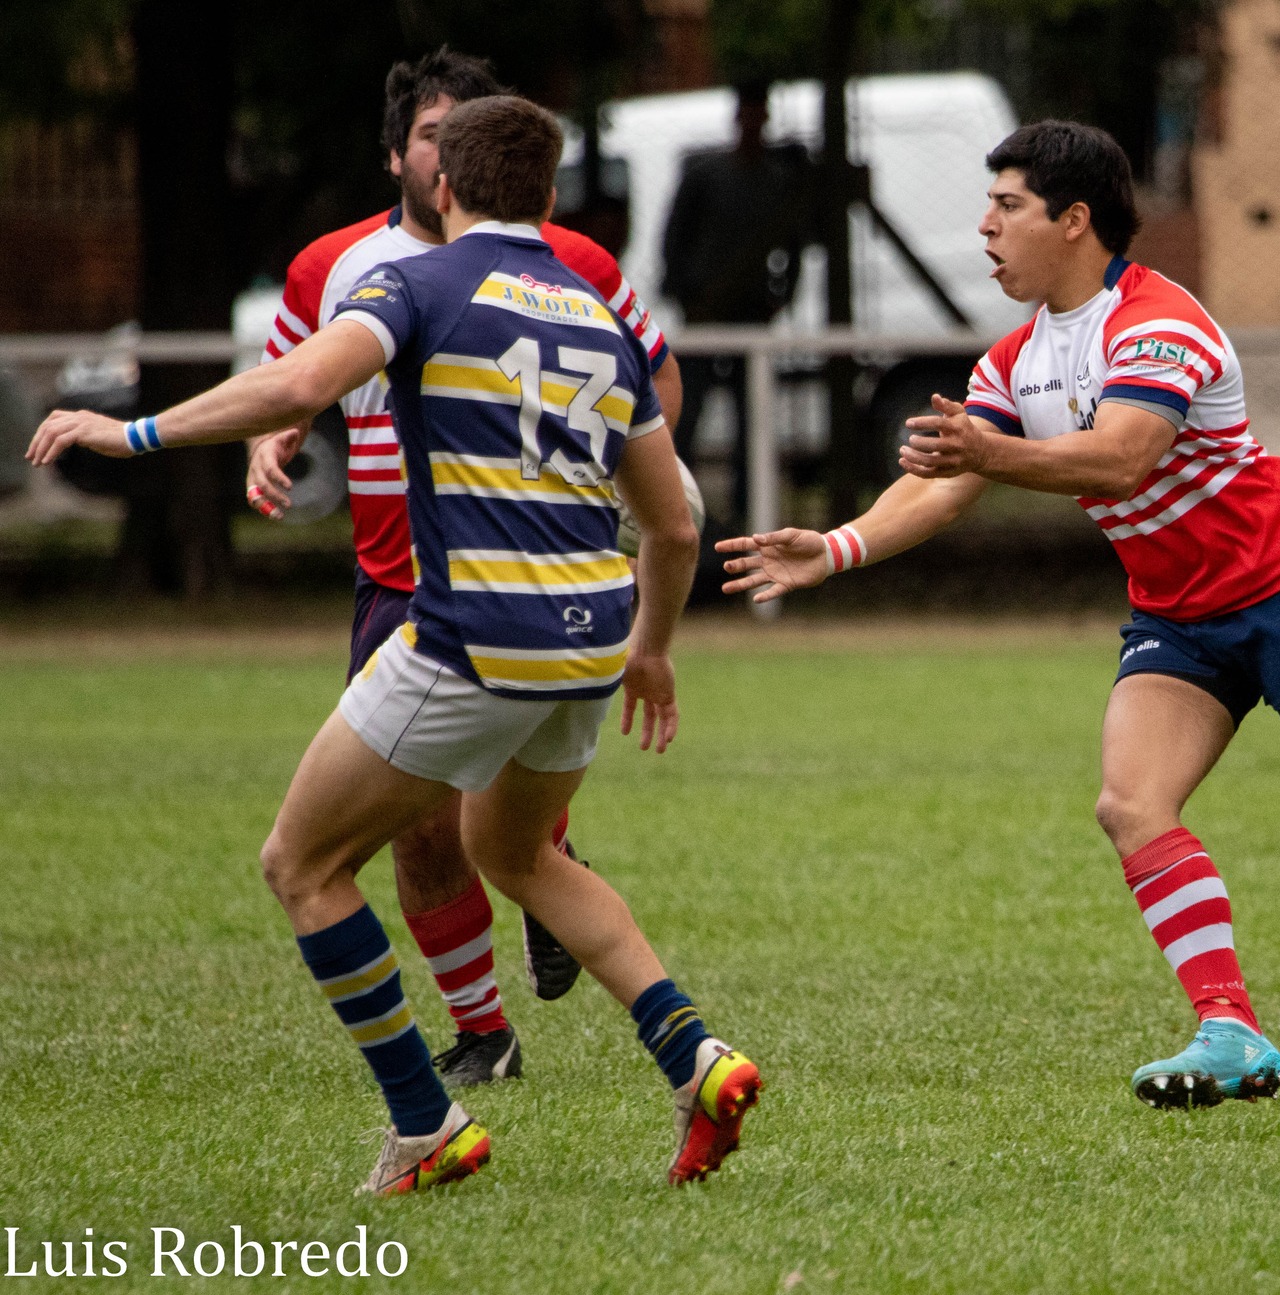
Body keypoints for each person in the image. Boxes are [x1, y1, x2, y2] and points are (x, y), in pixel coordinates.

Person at [717, 121, 1280, 1109]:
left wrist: (986, 458)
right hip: (1175, 614)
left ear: (1073, 219)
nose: (985, 228)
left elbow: (1121, 453)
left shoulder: (1157, 321)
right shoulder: (1013, 362)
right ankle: (1229, 1028)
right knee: (1128, 803)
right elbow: (944, 486)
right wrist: (836, 547)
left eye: (1006, 207)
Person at [31, 95, 760, 1195]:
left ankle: (426, 1119)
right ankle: (696, 1056)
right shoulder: (596, 314)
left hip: (474, 635)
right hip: (590, 639)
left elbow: (298, 383)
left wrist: (128, 429)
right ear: (551, 197)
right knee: (523, 858)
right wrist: (651, 646)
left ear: (445, 190)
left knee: (303, 863)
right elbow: (672, 522)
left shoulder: (416, 281)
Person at [244, 48, 685, 1089]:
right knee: (422, 830)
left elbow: (646, 366)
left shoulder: (566, 258)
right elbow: (292, 384)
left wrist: (639, 474)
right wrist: (275, 438)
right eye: (433, 133)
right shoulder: (333, 266)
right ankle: (485, 1027)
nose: (447, 154)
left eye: (462, 132)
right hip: (397, 572)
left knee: (361, 844)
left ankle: (537, 890)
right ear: (400, 153)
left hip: (523, 570)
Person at [660, 78, 813, 527]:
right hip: (705, 310)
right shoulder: (707, 174)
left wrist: (782, 297)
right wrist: (684, 293)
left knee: (754, 419)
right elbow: (674, 236)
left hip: (751, 310)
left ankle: (749, 509)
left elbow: (794, 243)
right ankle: (678, 506)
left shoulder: (776, 180)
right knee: (687, 415)